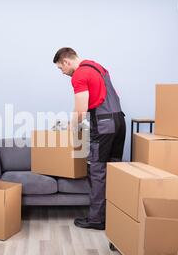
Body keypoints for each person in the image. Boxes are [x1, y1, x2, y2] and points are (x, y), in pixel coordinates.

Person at [53, 47, 126, 230]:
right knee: (114, 168)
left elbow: (80, 111)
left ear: (66, 62)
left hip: (103, 125)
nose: (62, 73)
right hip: (119, 121)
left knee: (97, 170)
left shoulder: (79, 75)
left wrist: (69, 130)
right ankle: (115, 215)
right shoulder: (97, 67)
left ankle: (96, 219)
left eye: (60, 68)